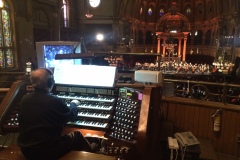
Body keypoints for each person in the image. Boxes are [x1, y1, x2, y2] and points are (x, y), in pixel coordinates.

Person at [17, 68, 96, 160]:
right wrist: (73, 104)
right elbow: (71, 116)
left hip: (26, 150)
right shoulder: (54, 101)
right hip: (46, 152)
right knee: (77, 135)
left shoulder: (25, 99)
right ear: (51, 82)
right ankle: (94, 154)